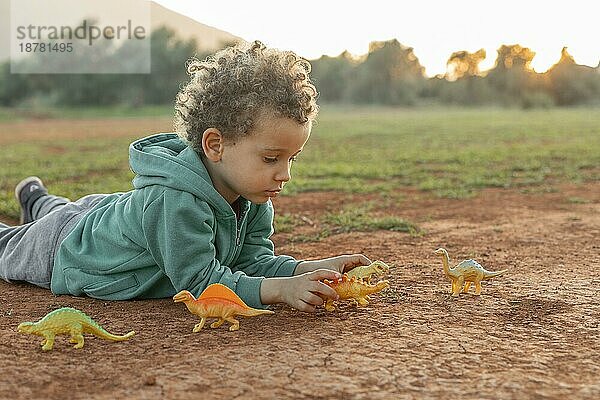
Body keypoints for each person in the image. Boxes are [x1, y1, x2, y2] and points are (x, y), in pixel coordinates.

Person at [0, 40, 370, 312]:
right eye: (272, 157)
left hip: (107, 215)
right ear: (215, 145)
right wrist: (279, 290)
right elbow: (200, 283)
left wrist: (309, 269)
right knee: (10, 246)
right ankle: (39, 207)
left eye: (292, 158)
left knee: (64, 211)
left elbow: (251, 264)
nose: (284, 174)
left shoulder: (253, 195)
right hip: (65, 249)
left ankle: (36, 199)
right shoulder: (175, 202)